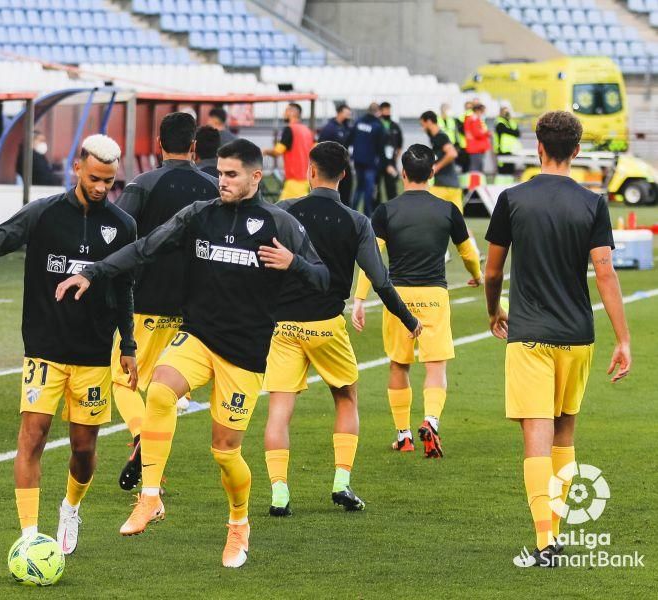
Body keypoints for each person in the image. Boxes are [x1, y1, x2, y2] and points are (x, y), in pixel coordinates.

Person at [55, 138, 329, 568]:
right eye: (219, 172)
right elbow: (145, 247)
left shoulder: (281, 223)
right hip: (198, 335)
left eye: (232, 174)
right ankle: (150, 498)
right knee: (160, 390)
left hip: (245, 353)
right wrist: (93, 272)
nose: (222, 181)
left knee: (225, 452)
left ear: (256, 177)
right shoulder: (200, 214)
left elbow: (323, 279)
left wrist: (293, 263)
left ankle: (239, 524)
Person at [0, 134, 138, 556]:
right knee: (32, 436)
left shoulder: (122, 226)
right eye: (94, 178)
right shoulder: (43, 214)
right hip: (43, 349)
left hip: (92, 354)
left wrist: (128, 344)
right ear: (76, 168)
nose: (102, 187)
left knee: (84, 450)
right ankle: (30, 535)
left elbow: (123, 288)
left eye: (109, 180)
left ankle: (70, 507)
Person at [484, 111, 631, 567]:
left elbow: (492, 270)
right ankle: (557, 531)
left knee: (536, 436)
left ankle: (545, 540)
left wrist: (494, 310)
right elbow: (604, 271)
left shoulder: (512, 198)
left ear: (538, 146)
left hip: (528, 334)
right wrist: (623, 339)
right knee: (564, 430)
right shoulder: (592, 202)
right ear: (578, 150)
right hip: (576, 334)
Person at [263, 141, 420, 517]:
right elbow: (380, 280)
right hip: (326, 326)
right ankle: (341, 482)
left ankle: (279, 492)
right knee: (346, 398)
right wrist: (408, 319)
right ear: (344, 175)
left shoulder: (284, 211)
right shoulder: (356, 221)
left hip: (283, 326)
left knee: (279, 409)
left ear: (309, 171)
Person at [111, 112, 219, 491]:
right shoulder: (214, 185)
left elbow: (117, 230)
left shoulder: (143, 183)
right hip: (194, 307)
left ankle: (141, 434)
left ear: (159, 144)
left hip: (146, 298)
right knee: (169, 389)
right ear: (193, 147)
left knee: (122, 382)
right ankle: (152, 462)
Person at [354, 144, 482, 457]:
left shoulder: (385, 210)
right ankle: (431, 420)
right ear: (433, 172)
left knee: (399, 365)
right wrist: (476, 275)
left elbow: (372, 257)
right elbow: (467, 252)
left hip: (398, 297)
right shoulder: (448, 208)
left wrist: (358, 299)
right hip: (435, 296)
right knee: (435, 367)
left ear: (403, 172)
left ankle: (404, 436)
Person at [263, 103, 314, 201]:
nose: (284, 114)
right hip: (306, 179)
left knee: (282, 211)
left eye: (286, 111)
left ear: (292, 112)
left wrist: (264, 151)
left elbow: (277, 152)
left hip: (294, 180)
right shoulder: (307, 130)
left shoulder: (290, 129)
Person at [420, 111, 462, 211]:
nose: (422, 128)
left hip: (444, 187)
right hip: (451, 186)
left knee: (427, 214)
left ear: (429, 122)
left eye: (423, 125)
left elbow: (452, 153)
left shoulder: (440, 136)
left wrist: (436, 167)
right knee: (459, 224)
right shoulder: (435, 139)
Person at [349, 103, 384, 215]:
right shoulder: (378, 125)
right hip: (370, 162)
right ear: (377, 112)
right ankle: (367, 214)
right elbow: (380, 146)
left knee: (359, 187)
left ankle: (353, 211)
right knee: (369, 189)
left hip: (358, 160)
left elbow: (350, 138)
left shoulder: (358, 122)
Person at [318, 104, 353, 203]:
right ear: (340, 113)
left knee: (347, 191)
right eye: (347, 114)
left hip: (345, 164)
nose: (348, 116)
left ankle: (347, 211)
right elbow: (321, 146)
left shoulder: (346, 127)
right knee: (333, 192)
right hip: (333, 165)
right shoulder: (329, 128)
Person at [377, 101, 403, 203]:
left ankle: (392, 207)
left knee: (392, 187)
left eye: (389, 109)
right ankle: (376, 210)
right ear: (381, 111)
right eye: (385, 110)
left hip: (391, 162)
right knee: (376, 188)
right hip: (379, 162)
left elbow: (400, 144)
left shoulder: (395, 126)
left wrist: (395, 159)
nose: (388, 112)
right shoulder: (377, 125)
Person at [494, 106, 522, 175]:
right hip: (502, 150)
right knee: (503, 170)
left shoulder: (511, 122)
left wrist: (512, 131)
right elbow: (509, 131)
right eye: (505, 112)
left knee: (511, 170)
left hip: (512, 150)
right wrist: (513, 131)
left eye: (507, 112)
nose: (506, 113)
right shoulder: (499, 122)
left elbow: (517, 133)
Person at [464, 103, 490, 173]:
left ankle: (477, 183)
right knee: (476, 168)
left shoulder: (474, 119)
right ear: (478, 111)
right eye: (482, 111)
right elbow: (477, 133)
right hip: (476, 148)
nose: (483, 113)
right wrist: (487, 133)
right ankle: (475, 183)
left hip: (477, 148)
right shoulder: (474, 119)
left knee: (478, 167)